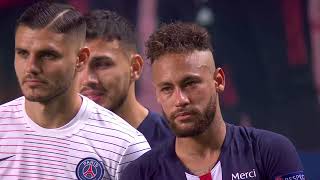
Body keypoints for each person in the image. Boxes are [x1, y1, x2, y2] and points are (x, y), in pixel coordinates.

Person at [120, 22, 305, 180]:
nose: (180, 99)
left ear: (219, 81)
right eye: (167, 89)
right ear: (158, 94)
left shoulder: (270, 152)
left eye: (190, 83)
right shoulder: (140, 173)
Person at [0, 1, 150, 180]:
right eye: (23, 53)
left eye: (47, 55)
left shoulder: (125, 146)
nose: (31, 67)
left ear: (80, 58)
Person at [78, 10, 173, 148]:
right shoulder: (58, 142)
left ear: (135, 67)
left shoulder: (174, 145)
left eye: (102, 64)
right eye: (78, 65)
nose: (87, 79)